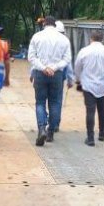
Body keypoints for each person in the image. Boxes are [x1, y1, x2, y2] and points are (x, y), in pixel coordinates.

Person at [28, 15, 71, 146]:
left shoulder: (37, 37)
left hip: (40, 73)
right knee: (55, 102)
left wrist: (44, 68)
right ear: (55, 25)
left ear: (44, 24)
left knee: (40, 102)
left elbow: (31, 57)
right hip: (56, 74)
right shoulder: (64, 39)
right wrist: (54, 67)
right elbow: (67, 59)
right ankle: (51, 132)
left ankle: (41, 129)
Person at [74, 31, 104, 146]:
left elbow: (77, 68)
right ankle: (102, 133)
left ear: (91, 39)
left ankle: (90, 138)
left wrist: (78, 80)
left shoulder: (84, 51)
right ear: (102, 39)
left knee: (90, 111)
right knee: (102, 109)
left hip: (88, 86)